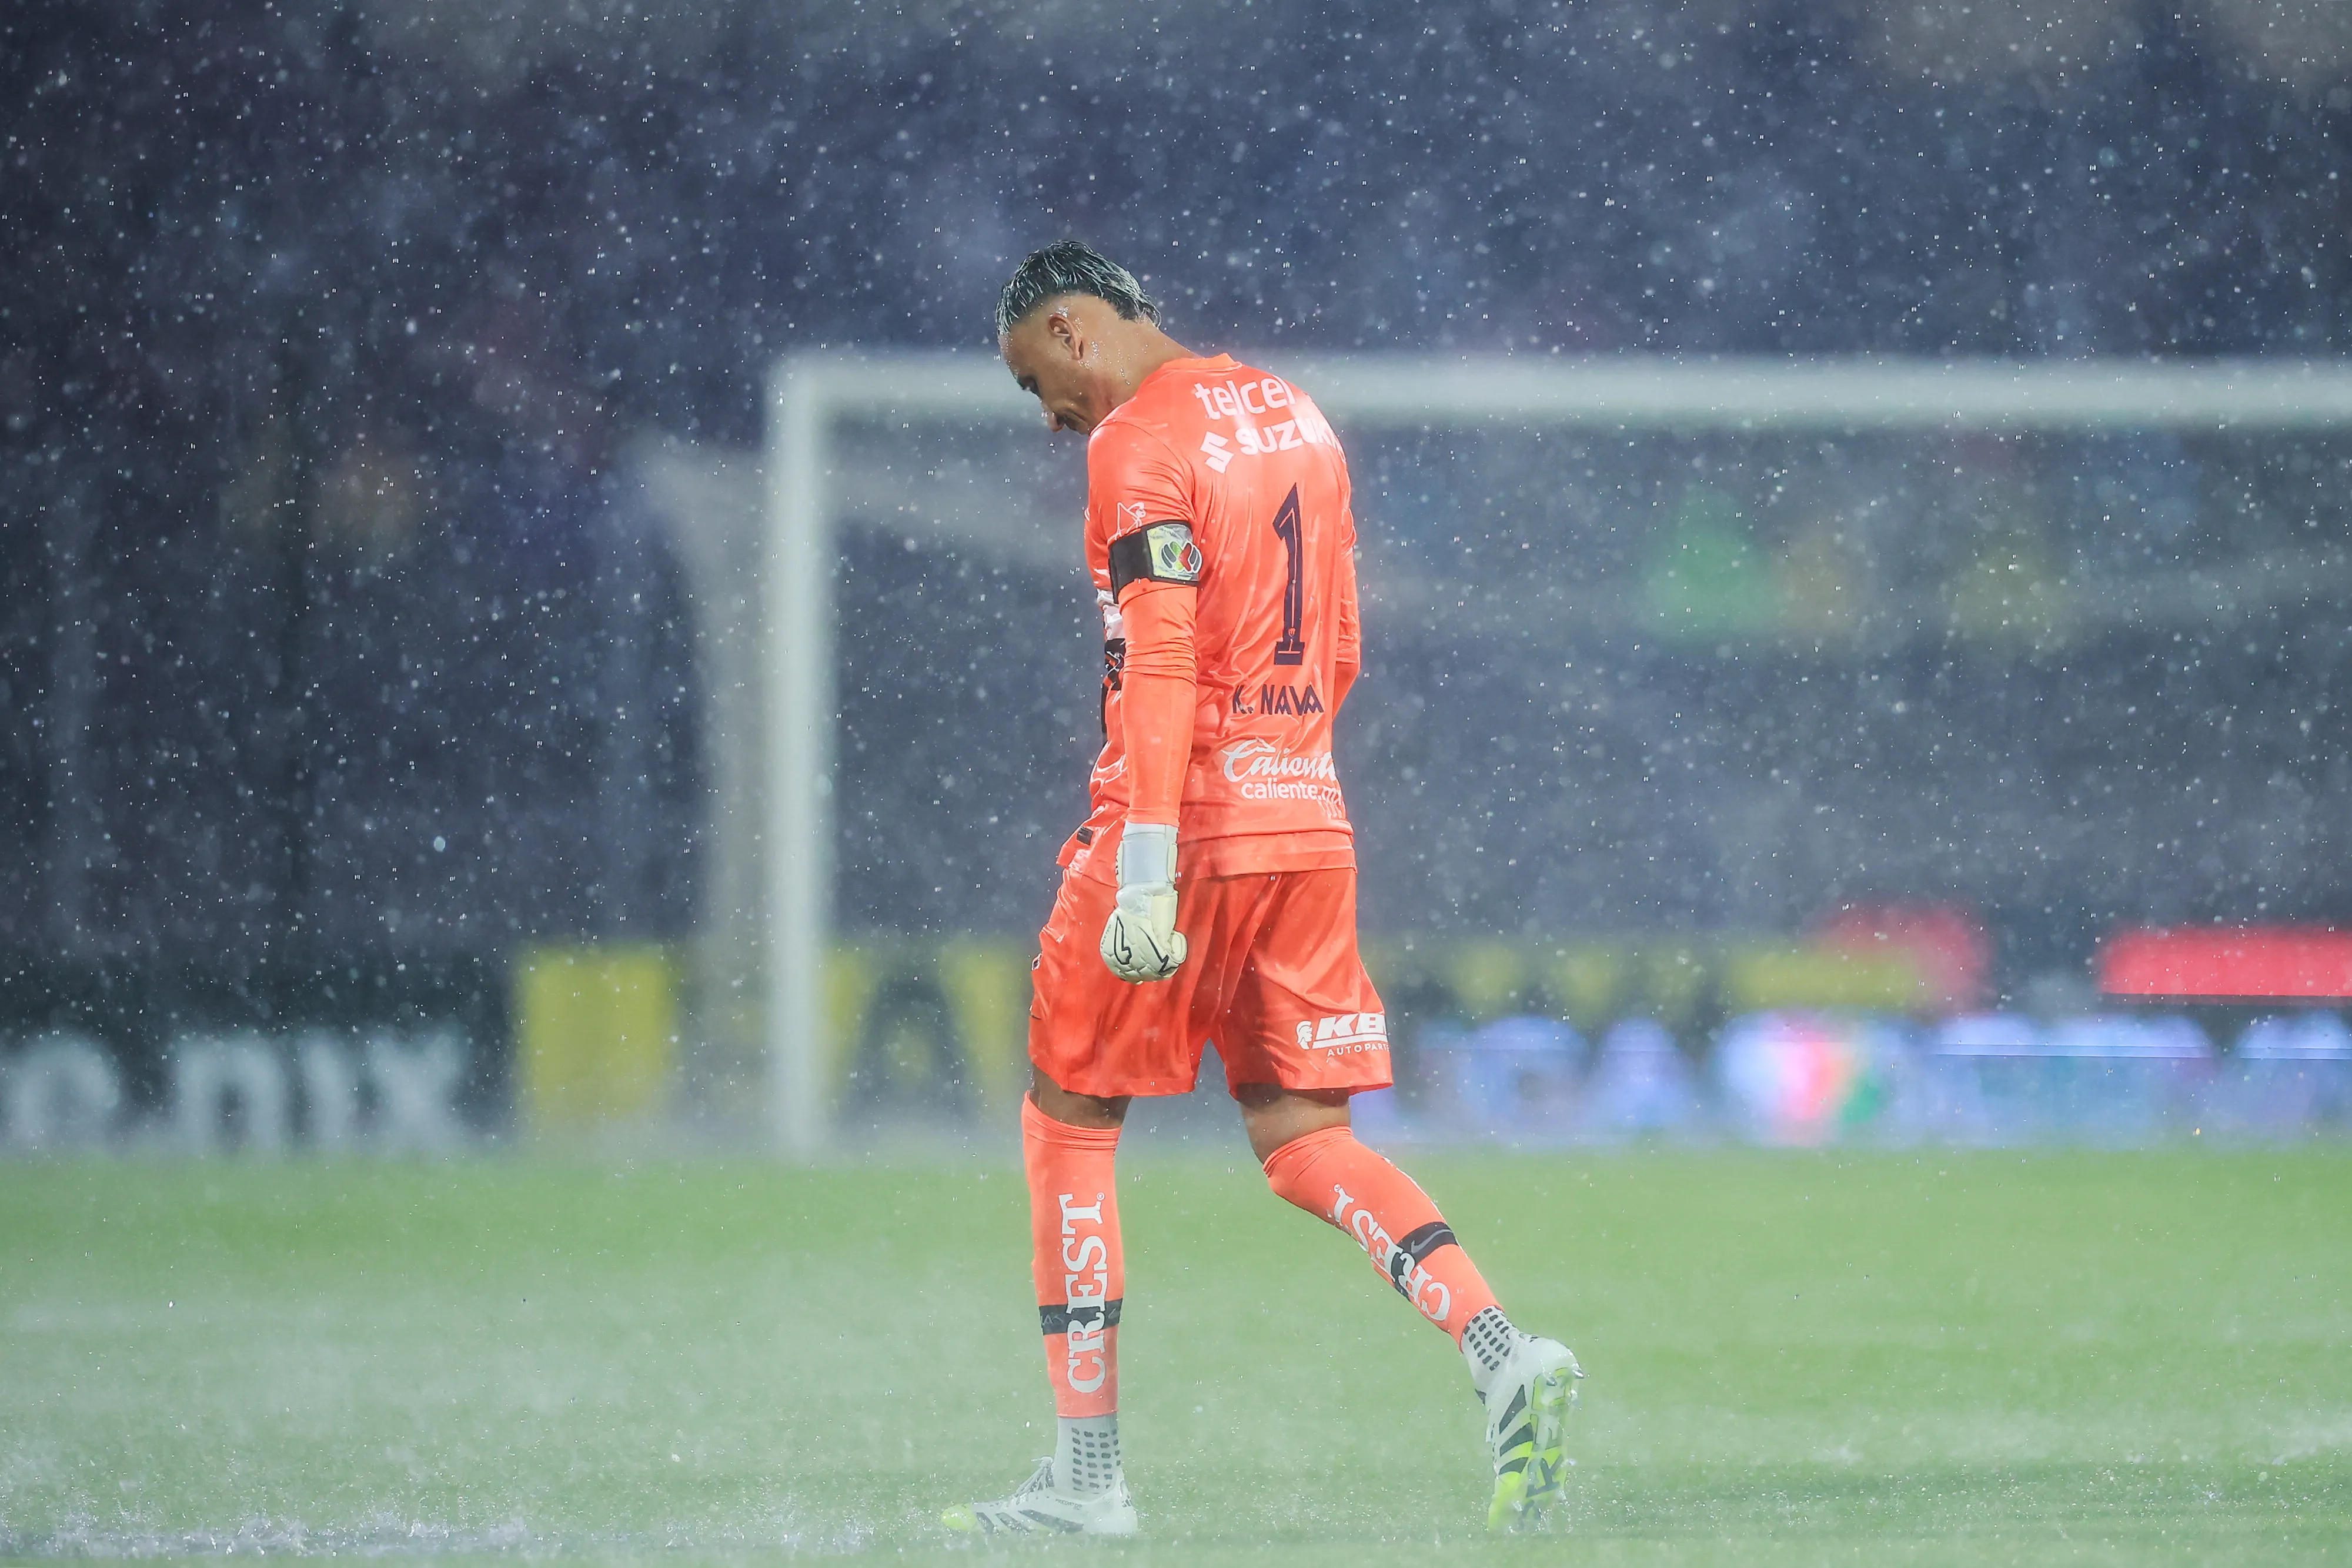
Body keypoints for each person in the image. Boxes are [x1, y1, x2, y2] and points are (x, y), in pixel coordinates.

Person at [943, 242, 1581, 1537]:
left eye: (1032, 381)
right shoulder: (1297, 414)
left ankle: (1086, 1478)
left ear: (1071, 330)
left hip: (1177, 832)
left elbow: (1162, 659)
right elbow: (1340, 638)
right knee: (1304, 1139)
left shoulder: (1135, 443)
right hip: (1306, 818)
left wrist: (1146, 868)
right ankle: (1502, 1349)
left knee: (1069, 1123)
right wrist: (1283, 771)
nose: (1048, 414)